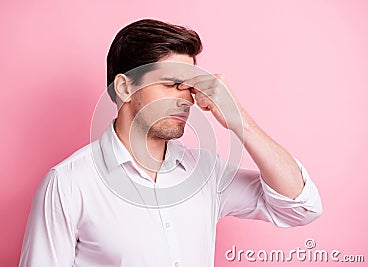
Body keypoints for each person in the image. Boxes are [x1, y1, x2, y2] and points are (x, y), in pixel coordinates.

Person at [19, 19, 322, 267]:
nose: (185, 99)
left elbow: (300, 207)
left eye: (188, 86)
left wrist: (239, 120)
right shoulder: (69, 183)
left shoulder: (205, 172)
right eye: (169, 84)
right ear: (125, 87)